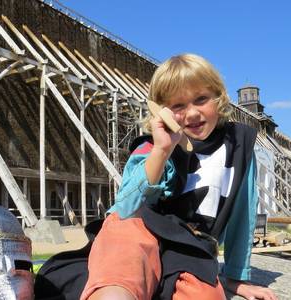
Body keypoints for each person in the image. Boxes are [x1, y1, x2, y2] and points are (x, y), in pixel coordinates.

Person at [80, 54, 278, 300]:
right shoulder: (151, 149)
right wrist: (162, 151)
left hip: (189, 248)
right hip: (137, 236)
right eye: (178, 106)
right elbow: (125, 211)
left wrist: (236, 277)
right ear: (160, 111)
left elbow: (242, 216)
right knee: (119, 278)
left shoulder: (239, 146)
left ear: (219, 98)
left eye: (201, 99)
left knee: (205, 295)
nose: (192, 113)